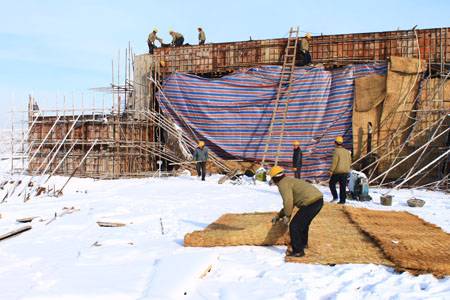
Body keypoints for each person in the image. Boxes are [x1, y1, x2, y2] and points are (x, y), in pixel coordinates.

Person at [269, 166, 323, 257]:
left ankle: (298, 251)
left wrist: (287, 216)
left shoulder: (283, 184)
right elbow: (291, 202)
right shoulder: (288, 180)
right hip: (318, 201)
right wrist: (279, 215)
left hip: (310, 203)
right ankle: (303, 244)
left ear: (274, 178)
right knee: (303, 224)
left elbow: (288, 201)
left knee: (294, 226)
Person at [329, 136, 352, 204]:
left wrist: (331, 170)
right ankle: (342, 201)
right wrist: (347, 169)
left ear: (335, 143)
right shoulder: (347, 151)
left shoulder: (336, 151)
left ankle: (335, 197)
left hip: (337, 172)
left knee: (331, 184)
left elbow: (334, 162)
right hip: (345, 171)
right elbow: (350, 161)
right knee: (343, 187)